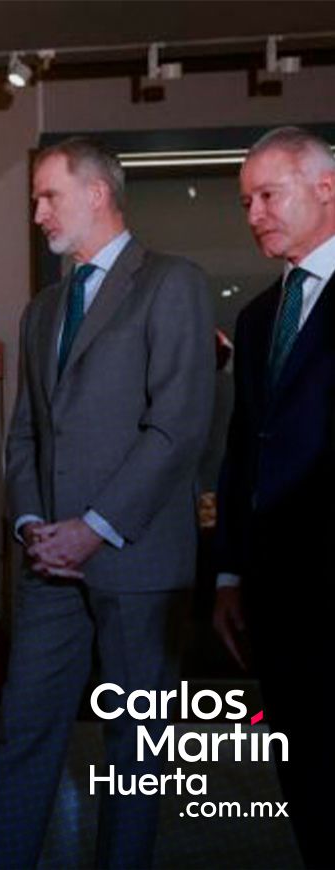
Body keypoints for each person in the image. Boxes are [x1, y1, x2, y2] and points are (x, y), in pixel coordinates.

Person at [0, 137, 214, 868]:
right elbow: (24, 435)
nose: (38, 213)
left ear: (98, 194)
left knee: (136, 751)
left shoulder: (172, 282)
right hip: (49, 565)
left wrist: (95, 528)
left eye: (49, 196)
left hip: (137, 562)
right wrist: (31, 524)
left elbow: (178, 427)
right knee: (24, 734)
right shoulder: (42, 310)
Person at [213, 125, 335, 868]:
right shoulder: (260, 317)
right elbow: (243, 449)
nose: (255, 213)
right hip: (278, 594)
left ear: (326, 188)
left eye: (268, 194)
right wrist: (229, 572)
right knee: (306, 778)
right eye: (246, 202)